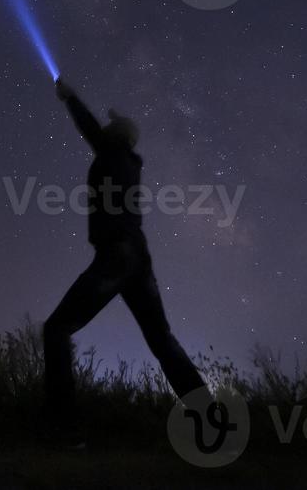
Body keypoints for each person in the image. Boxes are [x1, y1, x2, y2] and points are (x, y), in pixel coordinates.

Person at [42, 76, 210, 445]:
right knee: (162, 341)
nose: (105, 129)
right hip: (137, 258)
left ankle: (62, 430)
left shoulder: (113, 152)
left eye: (111, 126)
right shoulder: (126, 158)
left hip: (117, 256)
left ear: (118, 134)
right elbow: (103, 131)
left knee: (56, 330)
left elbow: (92, 128)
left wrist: (70, 97)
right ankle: (212, 423)